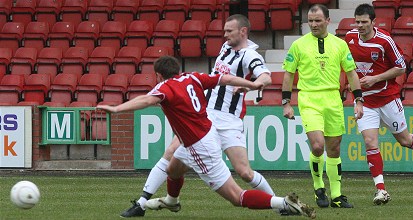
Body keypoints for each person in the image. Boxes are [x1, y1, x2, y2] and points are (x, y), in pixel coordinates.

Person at [97, 56, 316, 218]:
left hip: (199, 147)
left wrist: (117, 110)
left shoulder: (165, 87)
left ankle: (284, 203)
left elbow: (145, 100)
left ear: (158, 75)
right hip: (206, 133)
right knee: (173, 167)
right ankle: (172, 201)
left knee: (236, 197)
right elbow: (225, 78)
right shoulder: (192, 77)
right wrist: (251, 84)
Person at [120, 14, 276, 217]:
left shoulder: (250, 55)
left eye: (229, 31)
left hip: (229, 120)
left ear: (243, 31)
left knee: (244, 172)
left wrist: (256, 85)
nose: (225, 35)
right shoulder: (226, 48)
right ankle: (142, 203)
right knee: (171, 156)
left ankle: (279, 203)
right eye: (225, 31)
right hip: (207, 117)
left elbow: (266, 76)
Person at [345, 3, 413, 205]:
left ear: (373, 21)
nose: (360, 25)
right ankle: (381, 190)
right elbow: (348, 68)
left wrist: (375, 78)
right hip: (366, 101)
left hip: (388, 98)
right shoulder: (350, 38)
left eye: (364, 22)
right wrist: (355, 95)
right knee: (370, 142)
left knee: (405, 141)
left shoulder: (384, 40)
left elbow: (401, 68)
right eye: (357, 21)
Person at [281, 4, 364, 208]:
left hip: (333, 99)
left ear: (328, 21)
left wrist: (359, 99)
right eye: (310, 21)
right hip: (309, 99)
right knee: (318, 146)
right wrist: (286, 103)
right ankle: (319, 187)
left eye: (318, 20)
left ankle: (336, 195)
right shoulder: (298, 45)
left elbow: (351, 73)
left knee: (334, 149)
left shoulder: (340, 45)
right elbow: (289, 74)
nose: (313, 24)